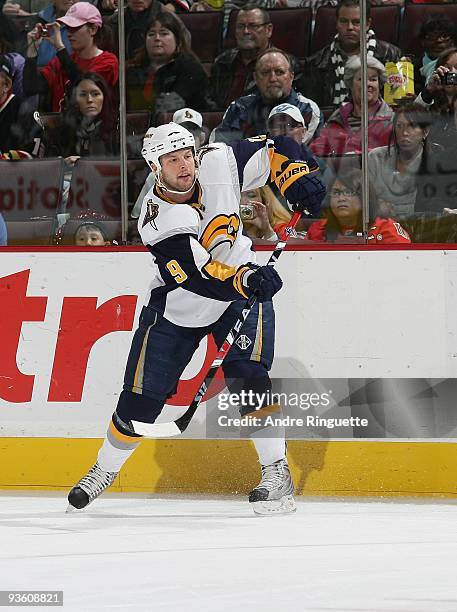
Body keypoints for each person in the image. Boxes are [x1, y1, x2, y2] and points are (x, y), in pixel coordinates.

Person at [67, 122, 326, 515]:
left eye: (187, 154)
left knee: (248, 374)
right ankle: (104, 469)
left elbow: (277, 147)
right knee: (140, 401)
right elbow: (197, 275)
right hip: (180, 306)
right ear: (156, 167)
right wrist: (246, 278)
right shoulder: (157, 219)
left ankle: (276, 470)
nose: (184, 165)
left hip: (241, 292)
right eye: (172, 160)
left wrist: (295, 178)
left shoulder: (219, 161)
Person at [300, 0, 400, 109]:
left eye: (356, 22)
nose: (350, 27)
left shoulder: (391, 56)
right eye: (343, 21)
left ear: (367, 24)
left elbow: (398, 105)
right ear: (336, 23)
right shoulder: (316, 63)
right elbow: (313, 110)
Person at [212, 47, 322, 145]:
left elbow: (304, 153)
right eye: (265, 73)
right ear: (255, 78)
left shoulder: (308, 109)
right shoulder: (239, 108)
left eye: (279, 72)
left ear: (291, 76)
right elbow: (219, 148)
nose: (273, 79)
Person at [24, 2, 119, 112]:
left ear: (93, 29)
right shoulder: (60, 61)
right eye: (68, 28)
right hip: (63, 126)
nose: (69, 34)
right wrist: (32, 51)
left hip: (96, 127)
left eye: (75, 28)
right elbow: (31, 88)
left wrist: (60, 47)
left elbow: (85, 86)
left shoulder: (108, 61)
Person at [209, 4, 301, 111]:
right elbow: (209, 100)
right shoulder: (222, 62)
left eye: (253, 26)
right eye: (241, 26)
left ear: (269, 30)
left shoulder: (287, 64)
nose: (246, 31)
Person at [126, 11, 208, 113]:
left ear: (177, 39)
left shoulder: (190, 69)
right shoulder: (133, 69)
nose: (157, 38)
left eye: (164, 33)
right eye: (151, 34)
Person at [311, 55, 393, 157]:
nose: (368, 84)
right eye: (361, 79)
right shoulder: (336, 119)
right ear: (350, 84)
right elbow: (316, 152)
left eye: (373, 79)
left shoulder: (392, 120)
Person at [306, 166, 411, 243]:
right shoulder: (318, 229)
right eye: (336, 193)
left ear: (365, 196)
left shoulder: (386, 229)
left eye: (349, 192)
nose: (341, 198)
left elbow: (404, 262)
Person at [44, 71, 118, 159]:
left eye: (95, 94)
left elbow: (129, 165)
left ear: (104, 97)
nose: (89, 100)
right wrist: (64, 164)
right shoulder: (63, 130)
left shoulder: (117, 129)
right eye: (83, 94)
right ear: (75, 100)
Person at [0, 55, 44, 156]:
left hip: (15, 170)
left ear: (6, 85)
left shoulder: (25, 111)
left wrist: (7, 158)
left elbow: (33, 153)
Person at [415, 47, 457, 150]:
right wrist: (428, 91)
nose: (451, 72)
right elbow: (409, 122)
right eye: (447, 68)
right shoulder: (431, 103)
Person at [412, 15, 457, 95]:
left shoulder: (455, 69)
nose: (438, 41)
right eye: (432, 36)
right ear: (422, 41)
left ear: (453, 41)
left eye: (444, 36)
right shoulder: (409, 69)